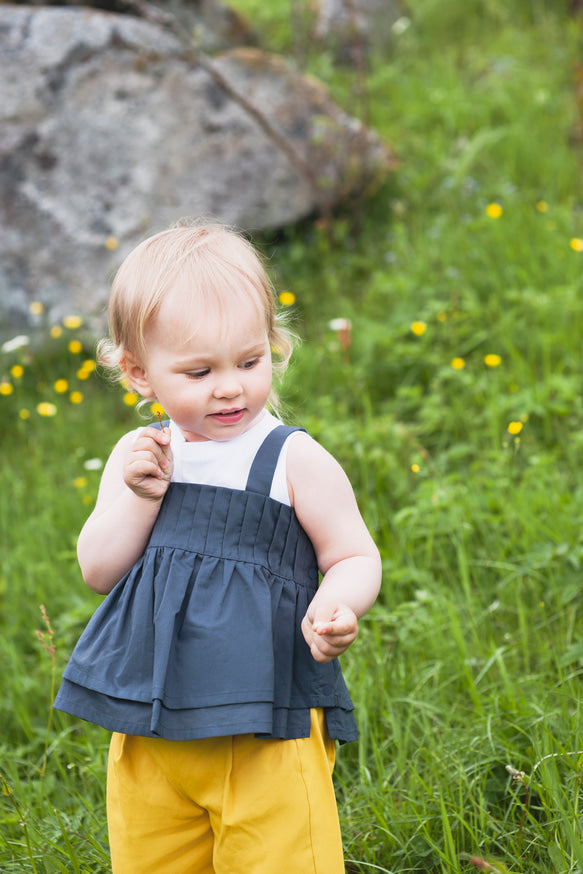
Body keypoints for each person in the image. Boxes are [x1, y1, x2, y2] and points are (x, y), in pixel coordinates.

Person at [54, 220, 382, 874]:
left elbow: (353, 554)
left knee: (281, 858)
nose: (229, 387)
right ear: (137, 372)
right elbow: (98, 569)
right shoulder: (140, 456)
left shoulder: (292, 459)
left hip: (265, 721)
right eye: (199, 371)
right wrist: (141, 496)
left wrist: (336, 606)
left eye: (249, 361)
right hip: (152, 724)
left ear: (274, 346)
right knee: (154, 858)